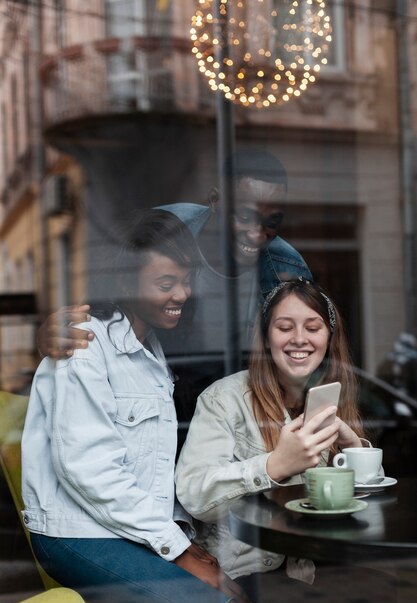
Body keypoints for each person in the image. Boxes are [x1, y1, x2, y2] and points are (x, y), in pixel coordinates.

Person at [21, 210, 254, 603]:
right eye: (166, 283)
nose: (182, 294)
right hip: (80, 535)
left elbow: (151, 471)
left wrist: (186, 544)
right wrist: (180, 552)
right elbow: (90, 470)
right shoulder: (86, 345)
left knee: (239, 599)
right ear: (127, 282)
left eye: (186, 281)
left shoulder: (153, 354)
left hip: (125, 528)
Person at [36, 149, 313, 423]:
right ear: (215, 202)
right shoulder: (164, 233)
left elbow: (306, 350)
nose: (256, 233)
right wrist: (54, 338)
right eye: (243, 217)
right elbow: (101, 311)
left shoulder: (287, 267)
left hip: (239, 413)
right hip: (160, 408)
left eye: (271, 222)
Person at [175, 278, 368, 595]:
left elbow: (362, 513)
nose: (299, 339)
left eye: (313, 327)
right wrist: (272, 466)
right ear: (266, 337)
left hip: (305, 573)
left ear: (329, 337)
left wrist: (352, 449)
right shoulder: (225, 398)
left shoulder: (330, 399)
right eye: (284, 327)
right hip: (236, 575)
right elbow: (194, 496)